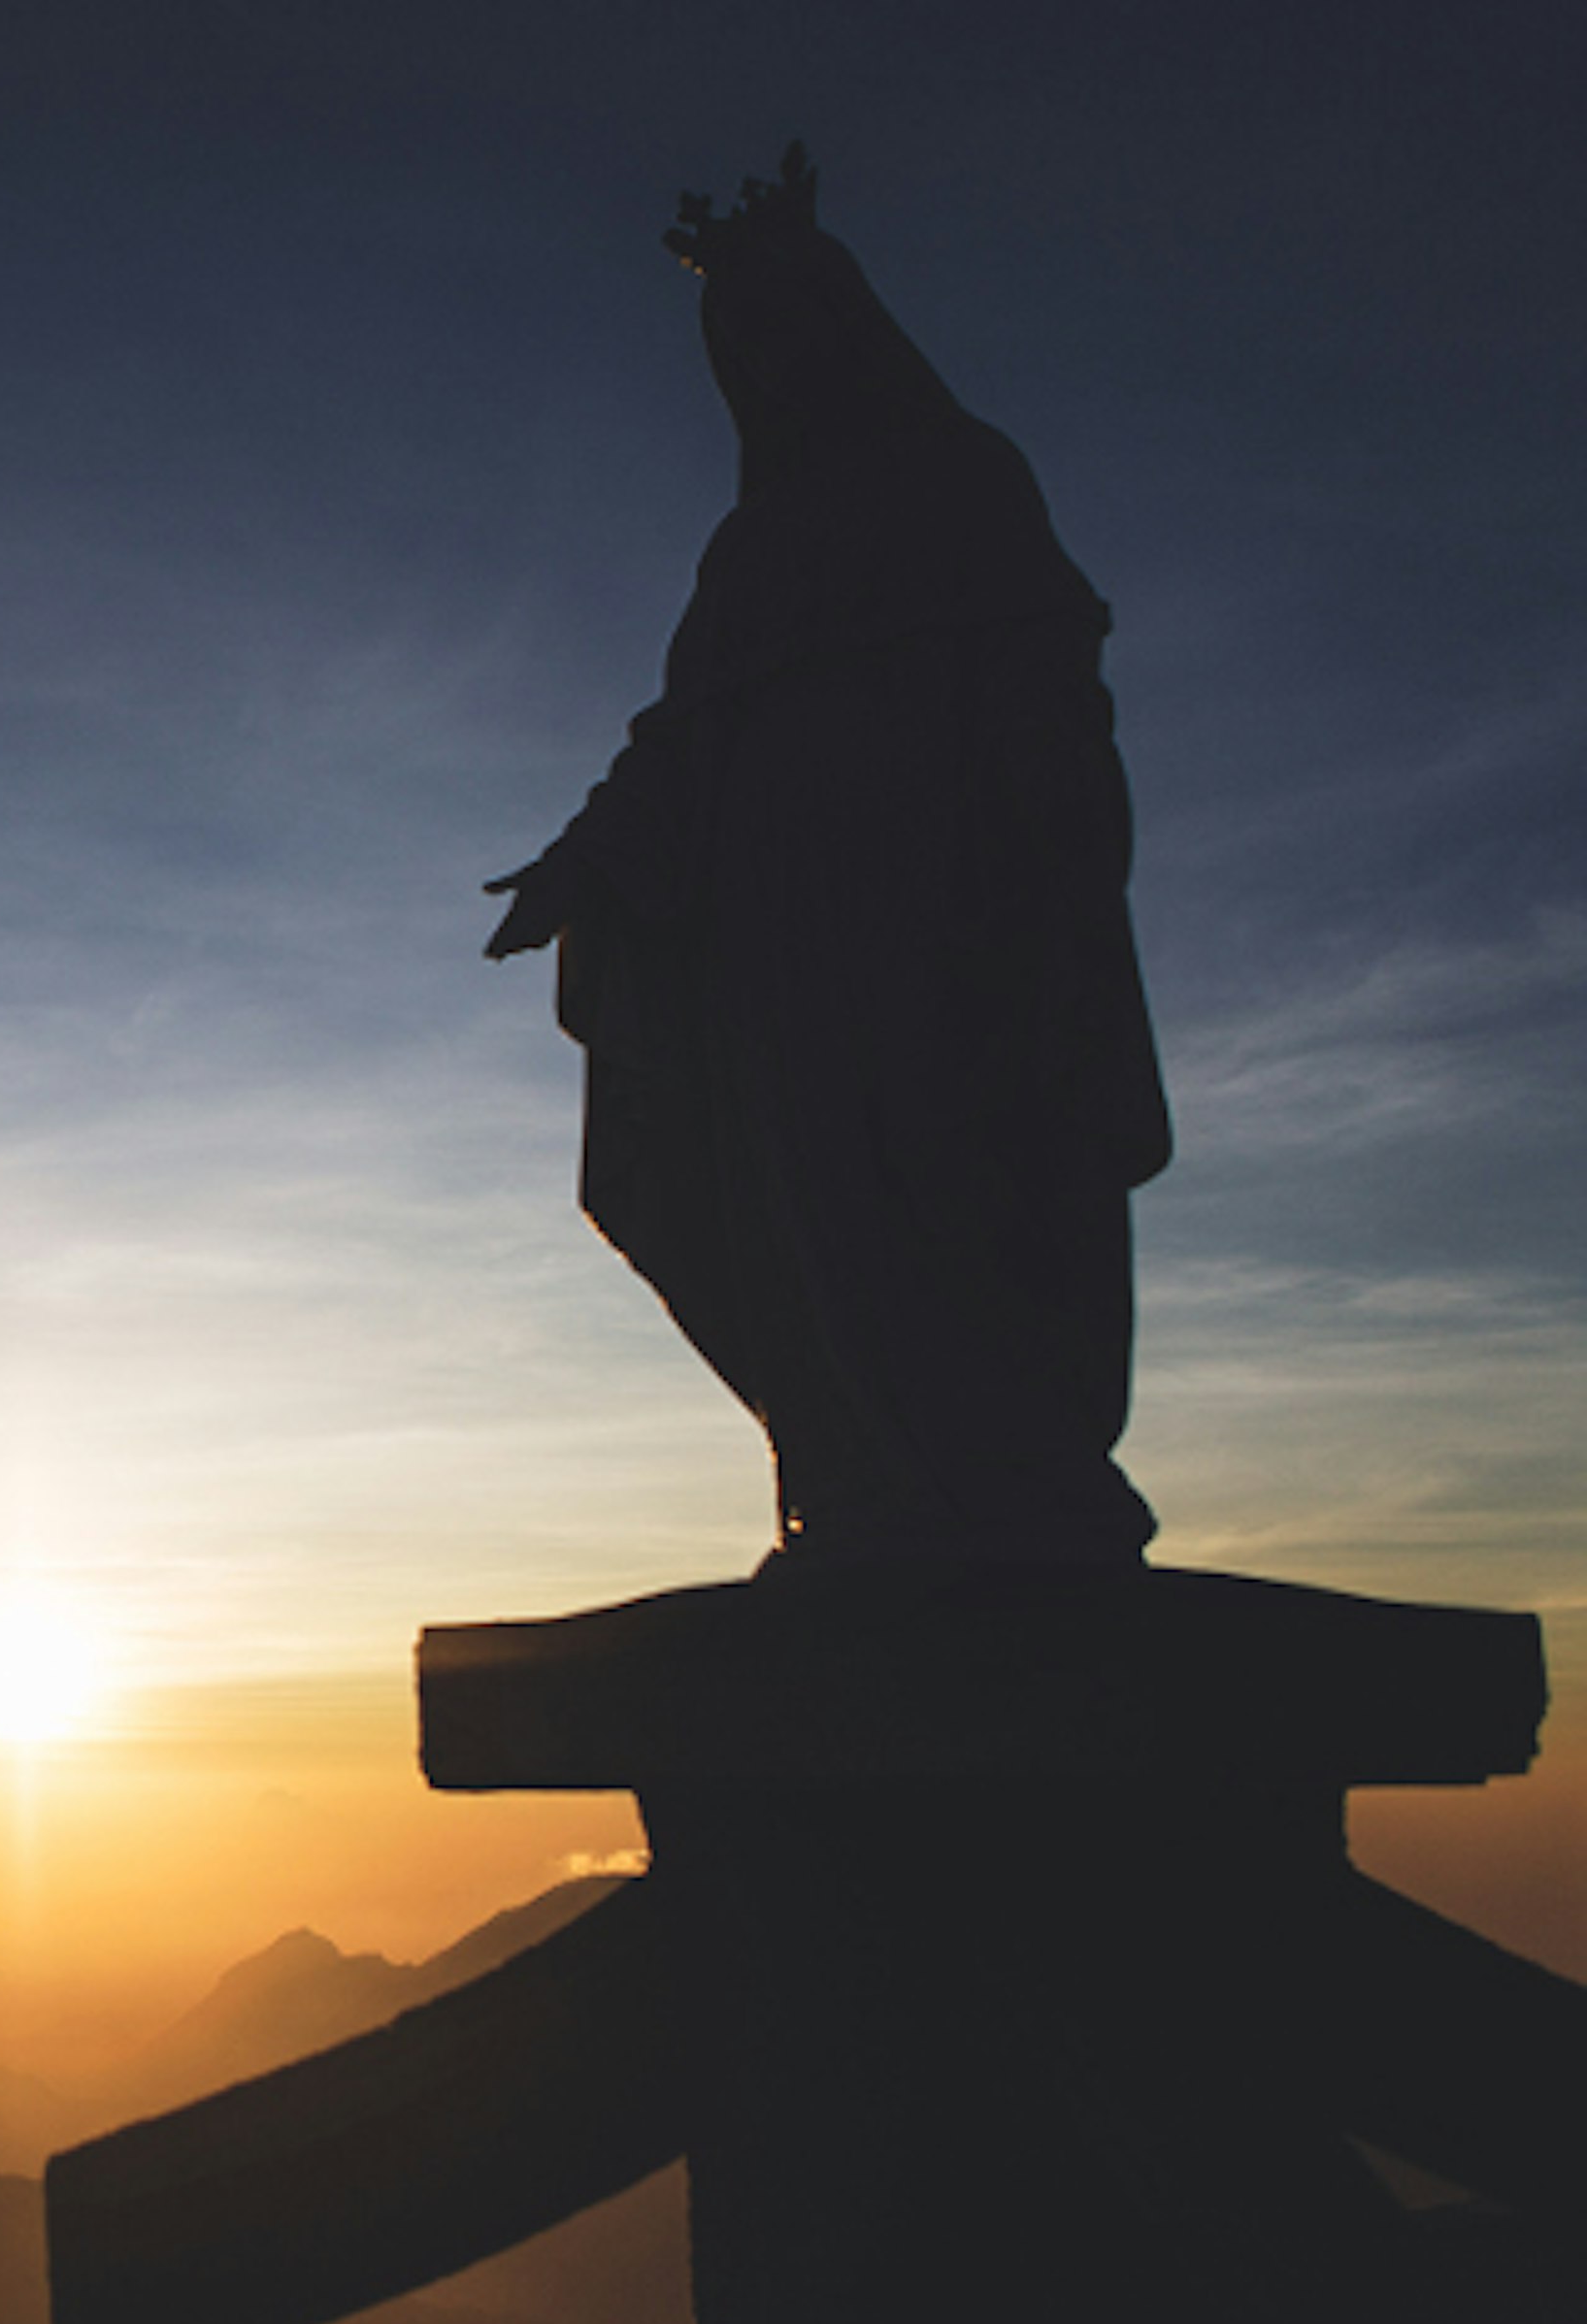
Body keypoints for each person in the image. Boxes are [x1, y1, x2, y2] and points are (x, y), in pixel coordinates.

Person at [482, 149, 1171, 1577]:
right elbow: (682, 735)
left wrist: (1043, 874)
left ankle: (1001, 1479)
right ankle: (867, 1484)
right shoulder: (755, 547)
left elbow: (1045, 698)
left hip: (944, 908)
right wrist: (589, 862)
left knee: (956, 1168)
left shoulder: (966, 481)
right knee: (808, 1207)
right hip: (775, 938)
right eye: (741, 345)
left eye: (784, 327)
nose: (768, 365)